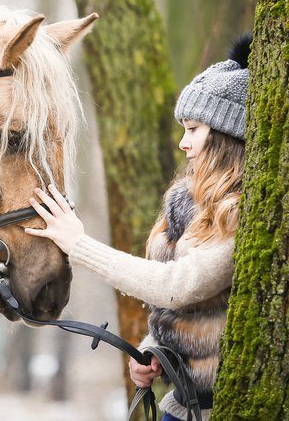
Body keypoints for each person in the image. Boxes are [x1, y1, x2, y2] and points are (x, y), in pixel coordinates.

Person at [24, 35, 251, 421]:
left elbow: (178, 286)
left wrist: (79, 245)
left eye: (193, 129)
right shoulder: (186, 203)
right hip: (180, 408)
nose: (183, 142)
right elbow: (180, 306)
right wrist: (152, 351)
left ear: (225, 134)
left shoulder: (239, 210)